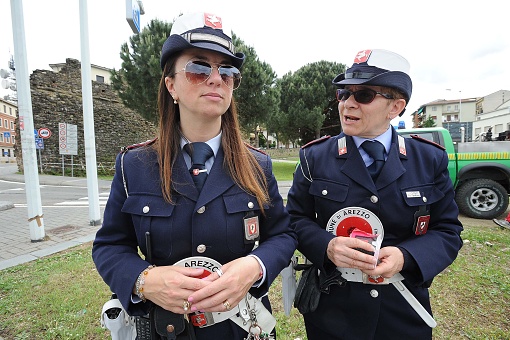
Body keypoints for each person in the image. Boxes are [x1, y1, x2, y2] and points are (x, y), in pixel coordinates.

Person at [92, 12, 297, 340]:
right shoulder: (135, 165)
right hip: (166, 330)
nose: (216, 79)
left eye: (227, 71)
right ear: (171, 84)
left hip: (241, 329)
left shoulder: (258, 165)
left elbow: (283, 235)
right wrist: (144, 280)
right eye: (199, 68)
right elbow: (109, 245)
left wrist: (254, 267)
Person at [286, 49, 464, 339]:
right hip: (333, 307)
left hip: (402, 305)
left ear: (395, 107)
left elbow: (447, 230)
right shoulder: (315, 157)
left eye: (364, 95)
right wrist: (326, 246)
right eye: (343, 94)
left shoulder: (428, 159)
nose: (347, 104)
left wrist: (407, 256)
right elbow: (294, 219)